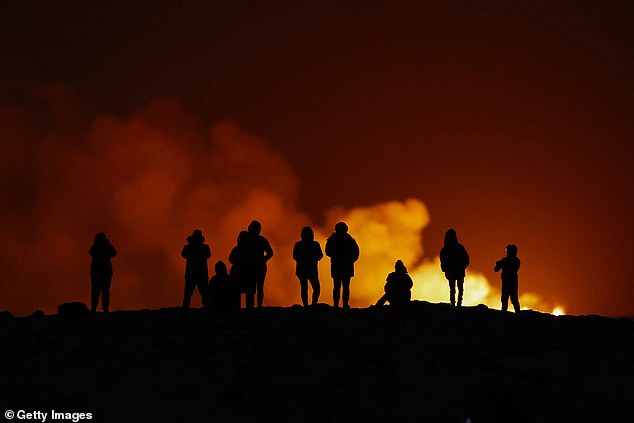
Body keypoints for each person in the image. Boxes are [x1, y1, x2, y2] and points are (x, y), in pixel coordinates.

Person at [325, 222, 360, 309]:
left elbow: (328, 251)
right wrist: (350, 260)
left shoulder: (333, 240)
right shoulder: (350, 240)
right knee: (343, 286)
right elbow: (356, 252)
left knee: (338, 286)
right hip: (345, 266)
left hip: (339, 266)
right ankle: (342, 305)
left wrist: (349, 259)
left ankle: (338, 305)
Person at [292, 226, 323, 307]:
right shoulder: (315, 244)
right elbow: (320, 255)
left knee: (306, 288)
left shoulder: (298, 245)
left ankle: (308, 305)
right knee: (315, 288)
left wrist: (304, 258)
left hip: (303, 269)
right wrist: (312, 258)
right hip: (310, 269)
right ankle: (312, 304)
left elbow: (295, 256)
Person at [181, 229, 211, 309]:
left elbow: (184, 254)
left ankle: (185, 309)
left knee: (189, 293)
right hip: (201, 273)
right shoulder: (204, 247)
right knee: (203, 292)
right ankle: (208, 307)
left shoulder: (188, 247)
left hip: (192, 273)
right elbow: (208, 255)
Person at [439, 229, 470, 307]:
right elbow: (443, 260)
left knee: (457, 288)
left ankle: (457, 303)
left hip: (457, 271)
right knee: (454, 289)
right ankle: (454, 303)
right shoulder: (447, 249)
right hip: (453, 271)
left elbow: (466, 259)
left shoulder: (451, 248)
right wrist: (446, 268)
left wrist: (462, 266)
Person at [247, 220, 274, 308]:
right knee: (259, 287)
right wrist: (264, 259)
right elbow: (270, 253)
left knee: (251, 288)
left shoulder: (247, 240)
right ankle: (258, 306)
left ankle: (251, 307)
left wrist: (263, 259)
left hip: (252, 266)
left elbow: (270, 253)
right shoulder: (262, 240)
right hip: (259, 266)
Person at [89, 232, 117, 313]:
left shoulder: (96, 247)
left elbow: (114, 253)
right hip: (103, 272)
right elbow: (113, 252)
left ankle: (96, 308)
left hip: (98, 272)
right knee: (103, 291)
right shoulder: (99, 248)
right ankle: (102, 308)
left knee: (97, 290)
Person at [229, 231, 256, 308]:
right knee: (249, 293)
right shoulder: (251, 250)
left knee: (237, 293)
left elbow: (231, 259)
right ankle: (249, 310)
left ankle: (237, 309)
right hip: (248, 273)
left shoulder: (237, 249)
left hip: (238, 273)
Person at [494, 244, 521, 312]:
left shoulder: (509, 260)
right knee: (506, 299)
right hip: (509, 282)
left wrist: (501, 263)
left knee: (513, 298)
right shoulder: (515, 260)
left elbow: (496, 269)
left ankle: (515, 312)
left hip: (510, 282)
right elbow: (496, 269)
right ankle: (508, 312)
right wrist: (500, 263)